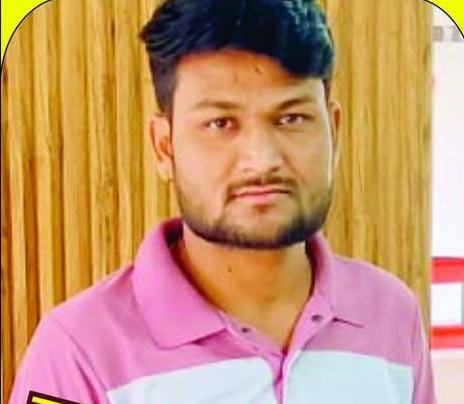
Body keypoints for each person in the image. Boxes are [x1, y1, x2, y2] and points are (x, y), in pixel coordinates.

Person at [9, 0, 436, 403]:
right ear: (164, 147)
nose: (262, 160)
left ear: (333, 132)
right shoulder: (76, 351)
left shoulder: (391, 316)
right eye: (220, 123)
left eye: (291, 118)